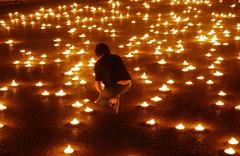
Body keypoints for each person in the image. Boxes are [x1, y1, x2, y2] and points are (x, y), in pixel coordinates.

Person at [94, 43, 131, 113]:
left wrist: (102, 94)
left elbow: (97, 84)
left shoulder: (98, 64)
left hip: (117, 87)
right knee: (108, 92)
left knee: (99, 101)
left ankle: (115, 101)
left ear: (97, 54)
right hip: (128, 83)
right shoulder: (116, 57)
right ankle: (114, 99)